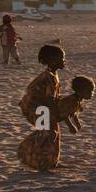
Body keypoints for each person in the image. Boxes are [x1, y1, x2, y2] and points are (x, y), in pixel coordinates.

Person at [16, 43, 67, 171]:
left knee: (53, 132)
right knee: (47, 133)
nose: (64, 60)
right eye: (61, 58)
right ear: (52, 60)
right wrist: (57, 113)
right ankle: (37, 159)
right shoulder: (49, 77)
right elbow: (49, 99)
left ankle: (51, 162)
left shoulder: (53, 74)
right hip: (36, 108)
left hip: (41, 107)